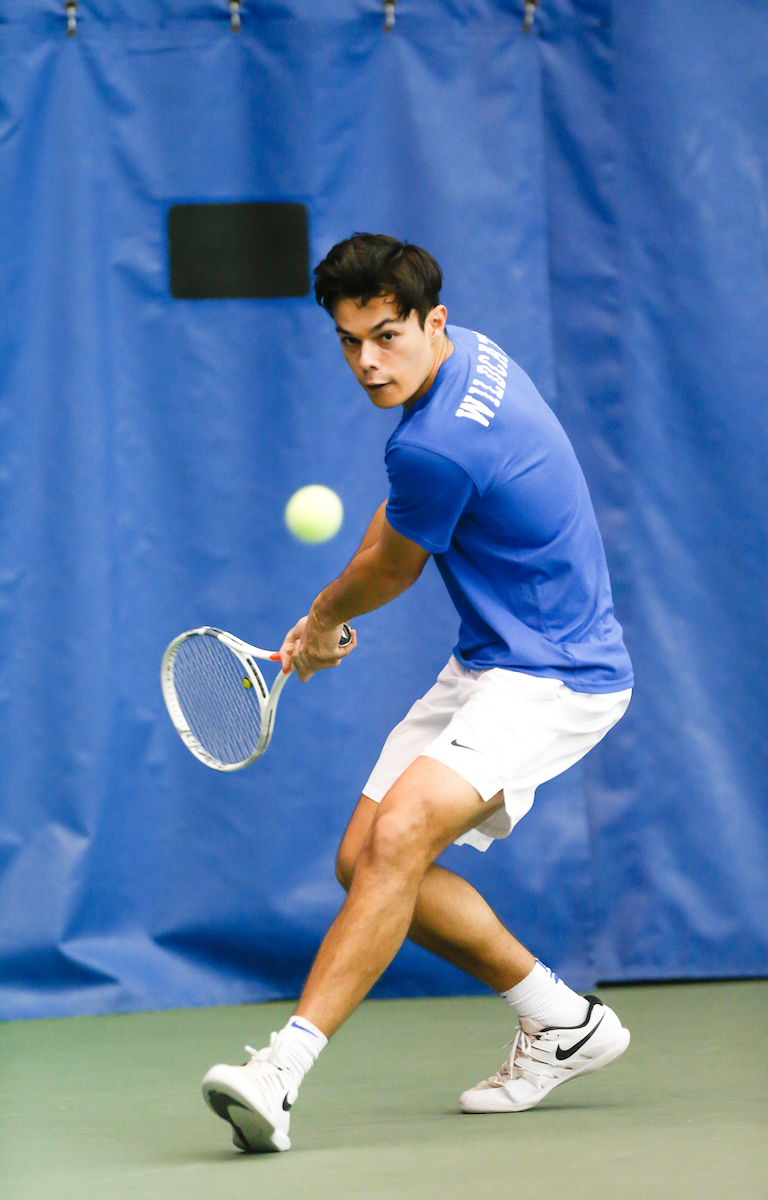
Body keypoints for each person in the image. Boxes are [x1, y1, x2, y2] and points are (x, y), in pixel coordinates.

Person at [201, 233, 634, 1153]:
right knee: (363, 860)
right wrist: (327, 618)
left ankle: (280, 1071)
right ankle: (562, 1020)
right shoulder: (467, 355)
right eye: (350, 341)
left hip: (559, 675)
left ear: (429, 320)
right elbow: (408, 511)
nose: (367, 361)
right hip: (492, 657)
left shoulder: (438, 440)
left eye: (386, 336)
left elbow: (397, 560)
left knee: (400, 835)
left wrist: (322, 619)